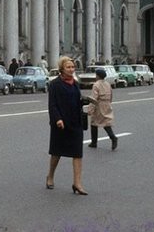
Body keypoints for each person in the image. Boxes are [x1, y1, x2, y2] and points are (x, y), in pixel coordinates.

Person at [46, 56, 87, 195]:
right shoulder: (55, 84)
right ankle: (50, 176)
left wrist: (85, 101)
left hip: (75, 122)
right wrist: (57, 119)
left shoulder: (75, 83)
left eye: (72, 67)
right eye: (68, 67)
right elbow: (52, 105)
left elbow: (76, 101)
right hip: (61, 124)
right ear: (61, 69)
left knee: (77, 154)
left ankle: (77, 183)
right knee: (57, 152)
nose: (71, 70)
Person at [87, 68, 118, 150]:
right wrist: (109, 103)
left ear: (97, 76)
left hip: (99, 105)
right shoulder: (107, 84)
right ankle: (112, 137)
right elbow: (111, 95)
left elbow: (94, 98)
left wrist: (90, 109)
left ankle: (94, 142)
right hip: (107, 104)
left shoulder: (96, 84)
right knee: (106, 122)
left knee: (94, 123)